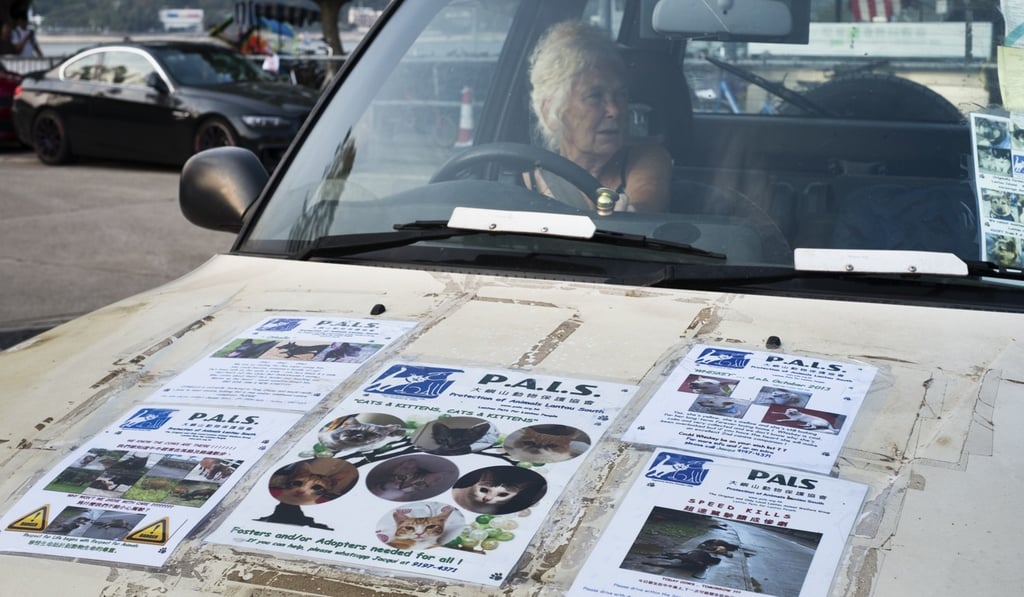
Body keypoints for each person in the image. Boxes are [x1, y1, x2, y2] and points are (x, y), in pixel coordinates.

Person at [526, 20, 671, 212]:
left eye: (620, 95)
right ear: (550, 112)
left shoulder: (645, 159)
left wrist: (633, 212)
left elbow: (645, 209)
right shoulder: (525, 180)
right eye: (595, 96)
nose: (615, 110)